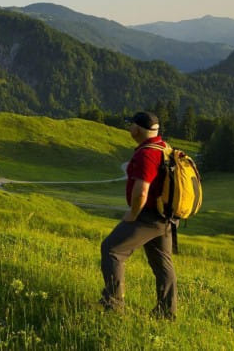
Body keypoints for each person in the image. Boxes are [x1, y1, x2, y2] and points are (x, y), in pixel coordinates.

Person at [99, 111, 177, 319]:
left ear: (137, 130)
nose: (129, 128)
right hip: (166, 216)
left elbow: (142, 190)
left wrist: (133, 214)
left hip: (148, 217)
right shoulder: (163, 147)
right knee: (162, 264)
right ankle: (166, 313)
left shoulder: (146, 154)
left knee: (111, 249)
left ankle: (113, 306)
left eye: (131, 125)